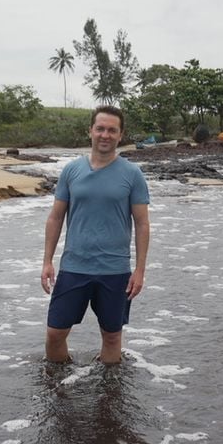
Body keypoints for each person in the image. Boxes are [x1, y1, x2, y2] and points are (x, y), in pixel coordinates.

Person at [41, 105, 150, 364]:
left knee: (112, 337)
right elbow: (56, 217)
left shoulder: (132, 174)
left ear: (120, 135)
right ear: (90, 131)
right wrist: (47, 261)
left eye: (112, 130)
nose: (105, 135)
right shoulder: (71, 171)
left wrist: (140, 270)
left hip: (114, 270)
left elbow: (142, 224)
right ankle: (59, 389)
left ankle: (110, 397)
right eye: (100, 128)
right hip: (74, 267)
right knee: (55, 334)